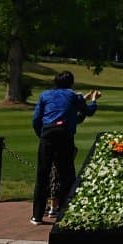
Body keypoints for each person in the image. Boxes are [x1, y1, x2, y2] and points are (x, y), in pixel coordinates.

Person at [30, 71, 101, 225]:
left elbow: (36, 119)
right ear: (71, 83)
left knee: (42, 176)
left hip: (47, 135)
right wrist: (94, 100)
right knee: (66, 176)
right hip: (64, 137)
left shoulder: (45, 95)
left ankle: (37, 215)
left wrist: (41, 135)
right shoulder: (73, 96)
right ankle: (65, 213)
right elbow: (87, 112)